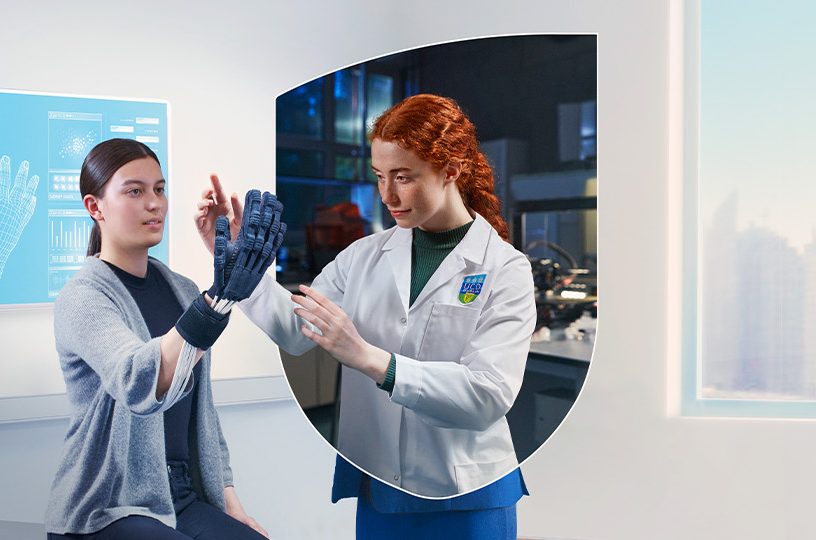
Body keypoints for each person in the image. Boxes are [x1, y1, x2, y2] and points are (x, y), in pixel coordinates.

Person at [199, 94, 535, 539]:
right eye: (379, 177)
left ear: (451, 170)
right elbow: (297, 331)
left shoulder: (504, 268)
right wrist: (241, 265)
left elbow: (487, 395)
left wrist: (368, 358)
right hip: (379, 486)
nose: (387, 195)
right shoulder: (364, 255)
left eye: (404, 177)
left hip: (466, 493)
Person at [49, 138, 277, 540]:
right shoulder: (83, 297)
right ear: (94, 206)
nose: (154, 203)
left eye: (159, 189)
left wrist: (232, 507)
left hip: (181, 497)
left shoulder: (182, 289)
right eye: (134, 191)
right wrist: (215, 302)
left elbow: (202, 417)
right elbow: (138, 381)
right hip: (108, 507)